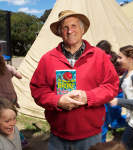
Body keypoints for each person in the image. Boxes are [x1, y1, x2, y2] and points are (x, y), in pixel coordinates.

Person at [30, 10, 119, 150]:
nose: (69, 31)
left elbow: (112, 86)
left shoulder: (99, 56)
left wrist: (88, 97)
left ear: (82, 30)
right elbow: (38, 89)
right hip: (58, 135)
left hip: (90, 135)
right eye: (65, 27)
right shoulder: (47, 59)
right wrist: (57, 101)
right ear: (60, 32)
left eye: (74, 26)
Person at [96, 40, 127, 142]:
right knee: (110, 121)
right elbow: (125, 71)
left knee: (108, 122)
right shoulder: (114, 60)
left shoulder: (106, 61)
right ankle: (132, 122)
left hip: (111, 95)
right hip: (114, 94)